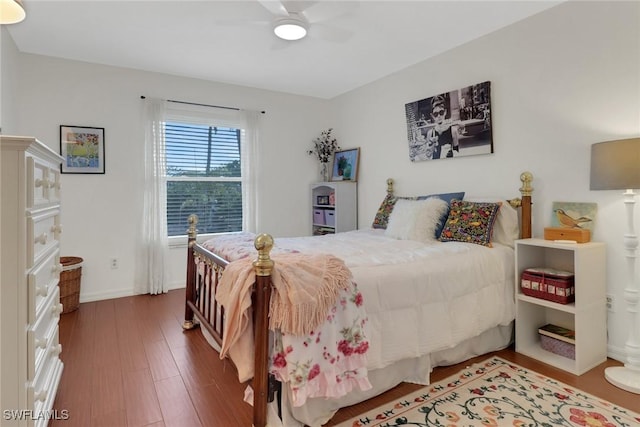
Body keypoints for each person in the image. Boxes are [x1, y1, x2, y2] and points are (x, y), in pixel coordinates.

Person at [426, 95, 459, 159]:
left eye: (441, 112)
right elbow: (428, 155)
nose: (439, 116)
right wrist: (430, 148)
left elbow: (457, 153)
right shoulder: (430, 133)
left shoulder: (453, 131)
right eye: (435, 114)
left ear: (445, 112)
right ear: (432, 116)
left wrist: (451, 152)